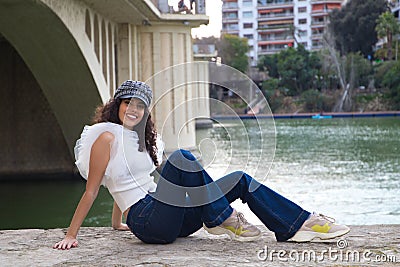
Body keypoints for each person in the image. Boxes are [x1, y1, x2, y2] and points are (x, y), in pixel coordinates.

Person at [53, 80, 350, 249]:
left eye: (140, 106)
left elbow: (131, 178)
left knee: (240, 180)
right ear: (117, 105)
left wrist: (116, 224)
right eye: (129, 103)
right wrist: (71, 235)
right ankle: (221, 217)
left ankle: (297, 224)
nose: (134, 110)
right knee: (182, 158)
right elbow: (95, 188)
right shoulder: (104, 138)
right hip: (147, 220)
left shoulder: (137, 140)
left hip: (166, 214)